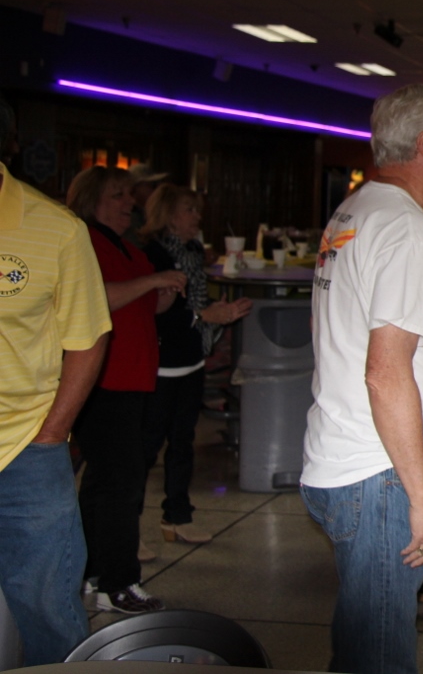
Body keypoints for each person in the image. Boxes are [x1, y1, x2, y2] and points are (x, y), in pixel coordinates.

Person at [301, 84, 423, 674]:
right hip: (380, 475)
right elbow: (385, 372)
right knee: (379, 655)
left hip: (343, 458)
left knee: (359, 640)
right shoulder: (407, 231)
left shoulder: (355, 210)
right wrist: (422, 496)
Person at [0, 104, 111, 663]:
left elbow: (87, 337)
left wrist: (53, 432)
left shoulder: (56, 229)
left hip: (23, 447)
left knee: (46, 606)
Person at [67, 166, 186, 614]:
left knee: (104, 482)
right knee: (122, 483)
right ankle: (119, 582)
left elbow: (138, 301)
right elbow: (95, 296)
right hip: (102, 379)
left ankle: (92, 573)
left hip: (132, 376)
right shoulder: (85, 242)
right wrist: (154, 281)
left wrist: (163, 293)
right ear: (92, 199)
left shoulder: (127, 246)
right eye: (117, 196)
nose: (129, 204)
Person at [139, 185, 253, 545]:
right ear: (170, 215)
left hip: (190, 358)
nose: (197, 217)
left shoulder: (191, 252)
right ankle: (126, 527)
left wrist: (217, 316)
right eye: (189, 210)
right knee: (146, 447)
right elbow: (151, 314)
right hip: (160, 362)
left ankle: (177, 516)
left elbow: (194, 307)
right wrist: (205, 314)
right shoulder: (152, 256)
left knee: (183, 442)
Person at [124, 163, 167, 247]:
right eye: (152, 185)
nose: (156, 190)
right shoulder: (130, 219)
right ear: (134, 188)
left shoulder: (147, 215)